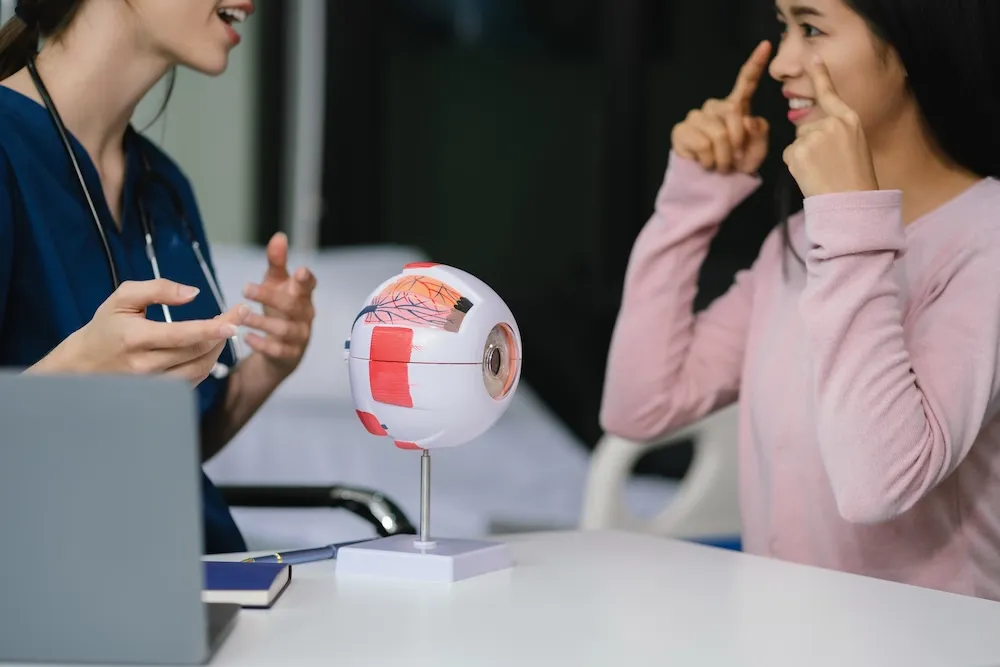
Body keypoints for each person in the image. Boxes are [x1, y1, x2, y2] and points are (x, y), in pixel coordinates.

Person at [600, 0, 1000, 600]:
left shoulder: (984, 240)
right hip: (784, 637)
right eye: (781, 29)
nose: (783, 63)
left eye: (811, 28)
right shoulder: (797, 242)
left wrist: (847, 220)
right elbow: (639, 406)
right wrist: (689, 203)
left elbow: (877, 486)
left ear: (911, 42)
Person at [0, 0, 316, 554]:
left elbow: (175, 441)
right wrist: (71, 378)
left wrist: (267, 368)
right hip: (57, 593)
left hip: (202, 581)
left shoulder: (163, 187)